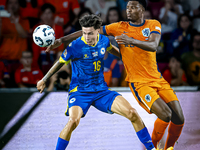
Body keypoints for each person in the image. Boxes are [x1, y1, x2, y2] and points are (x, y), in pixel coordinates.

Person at [45, 1, 184, 149]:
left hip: (156, 79)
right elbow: (90, 31)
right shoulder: (118, 27)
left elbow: (153, 45)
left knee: (179, 118)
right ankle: (154, 146)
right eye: (128, 7)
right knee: (166, 115)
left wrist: (129, 42)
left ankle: (169, 147)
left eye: (133, 7)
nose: (128, 10)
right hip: (138, 83)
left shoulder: (153, 24)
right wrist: (62, 40)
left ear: (142, 9)